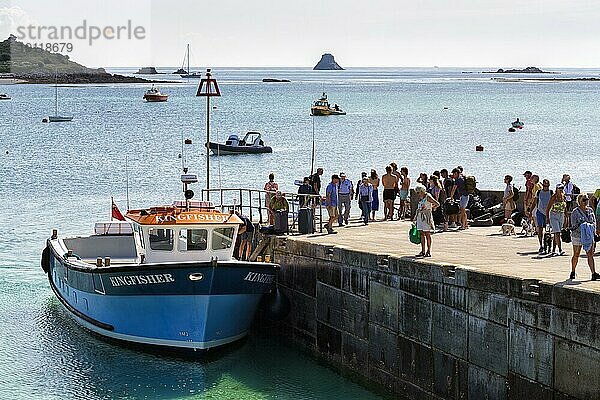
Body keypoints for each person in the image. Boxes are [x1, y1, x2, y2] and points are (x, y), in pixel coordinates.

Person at [569, 194, 599, 280]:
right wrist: (583, 226)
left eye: (587, 199)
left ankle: (593, 273)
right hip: (578, 235)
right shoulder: (575, 212)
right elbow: (573, 225)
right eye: (584, 200)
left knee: (590, 254)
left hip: (589, 235)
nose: (586, 201)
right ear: (579, 201)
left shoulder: (590, 210)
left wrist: (591, 229)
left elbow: (594, 222)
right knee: (576, 254)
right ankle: (573, 271)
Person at [413, 184, 439, 257]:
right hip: (420, 217)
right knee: (421, 234)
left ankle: (428, 251)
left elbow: (437, 203)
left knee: (427, 234)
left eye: (418, 192)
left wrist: (431, 208)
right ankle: (423, 250)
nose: (418, 194)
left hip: (426, 217)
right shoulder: (421, 198)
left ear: (422, 191)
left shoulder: (428, 196)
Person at [546, 184, 566, 256]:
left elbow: (565, 208)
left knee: (556, 233)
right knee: (557, 233)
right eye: (559, 188)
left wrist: (566, 217)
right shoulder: (553, 197)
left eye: (562, 188)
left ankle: (553, 250)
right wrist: (547, 218)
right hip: (554, 215)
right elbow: (548, 208)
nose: (561, 189)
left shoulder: (564, 196)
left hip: (561, 215)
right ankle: (560, 249)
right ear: (556, 188)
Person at [535, 179, 552, 254]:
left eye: (547, 186)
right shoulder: (538, 192)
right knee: (540, 229)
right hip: (540, 212)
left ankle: (548, 245)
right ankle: (541, 245)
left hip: (548, 214)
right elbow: (535, 202)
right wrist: (530, 212)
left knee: (548, 231)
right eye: (545, 186)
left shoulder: (551, 192)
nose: (546, 187)